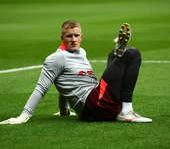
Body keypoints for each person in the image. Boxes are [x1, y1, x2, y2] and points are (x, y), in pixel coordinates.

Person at [0, 20, 152, 124]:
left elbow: (66, 83)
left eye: (76, 35)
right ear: (62, 38)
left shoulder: (81, 53)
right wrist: (23, 116)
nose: (73, 39)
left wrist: (64, 110)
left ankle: (118, 53)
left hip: (97, 101)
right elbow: (41, 87)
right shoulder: (56, 58)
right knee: (133, 53)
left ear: (81, 37)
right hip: (95, 104)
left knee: (112, 55)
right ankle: (126, 111)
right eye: (69, 36)